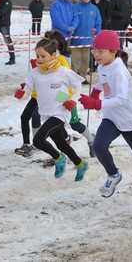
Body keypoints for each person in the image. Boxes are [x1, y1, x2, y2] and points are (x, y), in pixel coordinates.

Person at [78, 30, 132, 199]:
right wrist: (96, 91)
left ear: (113, 51)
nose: (96, 54)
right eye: (94, 50)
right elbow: (103, 80)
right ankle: (113, 174)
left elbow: (122, 99)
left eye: (100, 51)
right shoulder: (103, 64)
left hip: (128, 120)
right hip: (111, 117)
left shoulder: (120, 71)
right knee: (99, 145)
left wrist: (97, 103)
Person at [14, 38, 89, 182]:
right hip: (46, 113)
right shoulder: (34, 73)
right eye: (37, 56)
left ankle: (58, 158)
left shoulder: (63, 71)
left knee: (38, 140)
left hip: (61, 112)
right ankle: (81, 164)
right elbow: (26, 93)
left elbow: (78, 86)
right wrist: (21, 94)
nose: (40, 60)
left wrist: (72, 100)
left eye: (43, 56)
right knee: (61, 144)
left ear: (54, 55)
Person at [71, 0, 101, 84]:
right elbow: (71, 20)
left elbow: (98, 22)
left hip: (88, 39)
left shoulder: (94, 9)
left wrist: (97, 34)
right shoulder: (75, 7)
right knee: (74, 60)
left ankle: (83, 77)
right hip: (76, 39)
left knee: (85, 59)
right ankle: (73, 78)